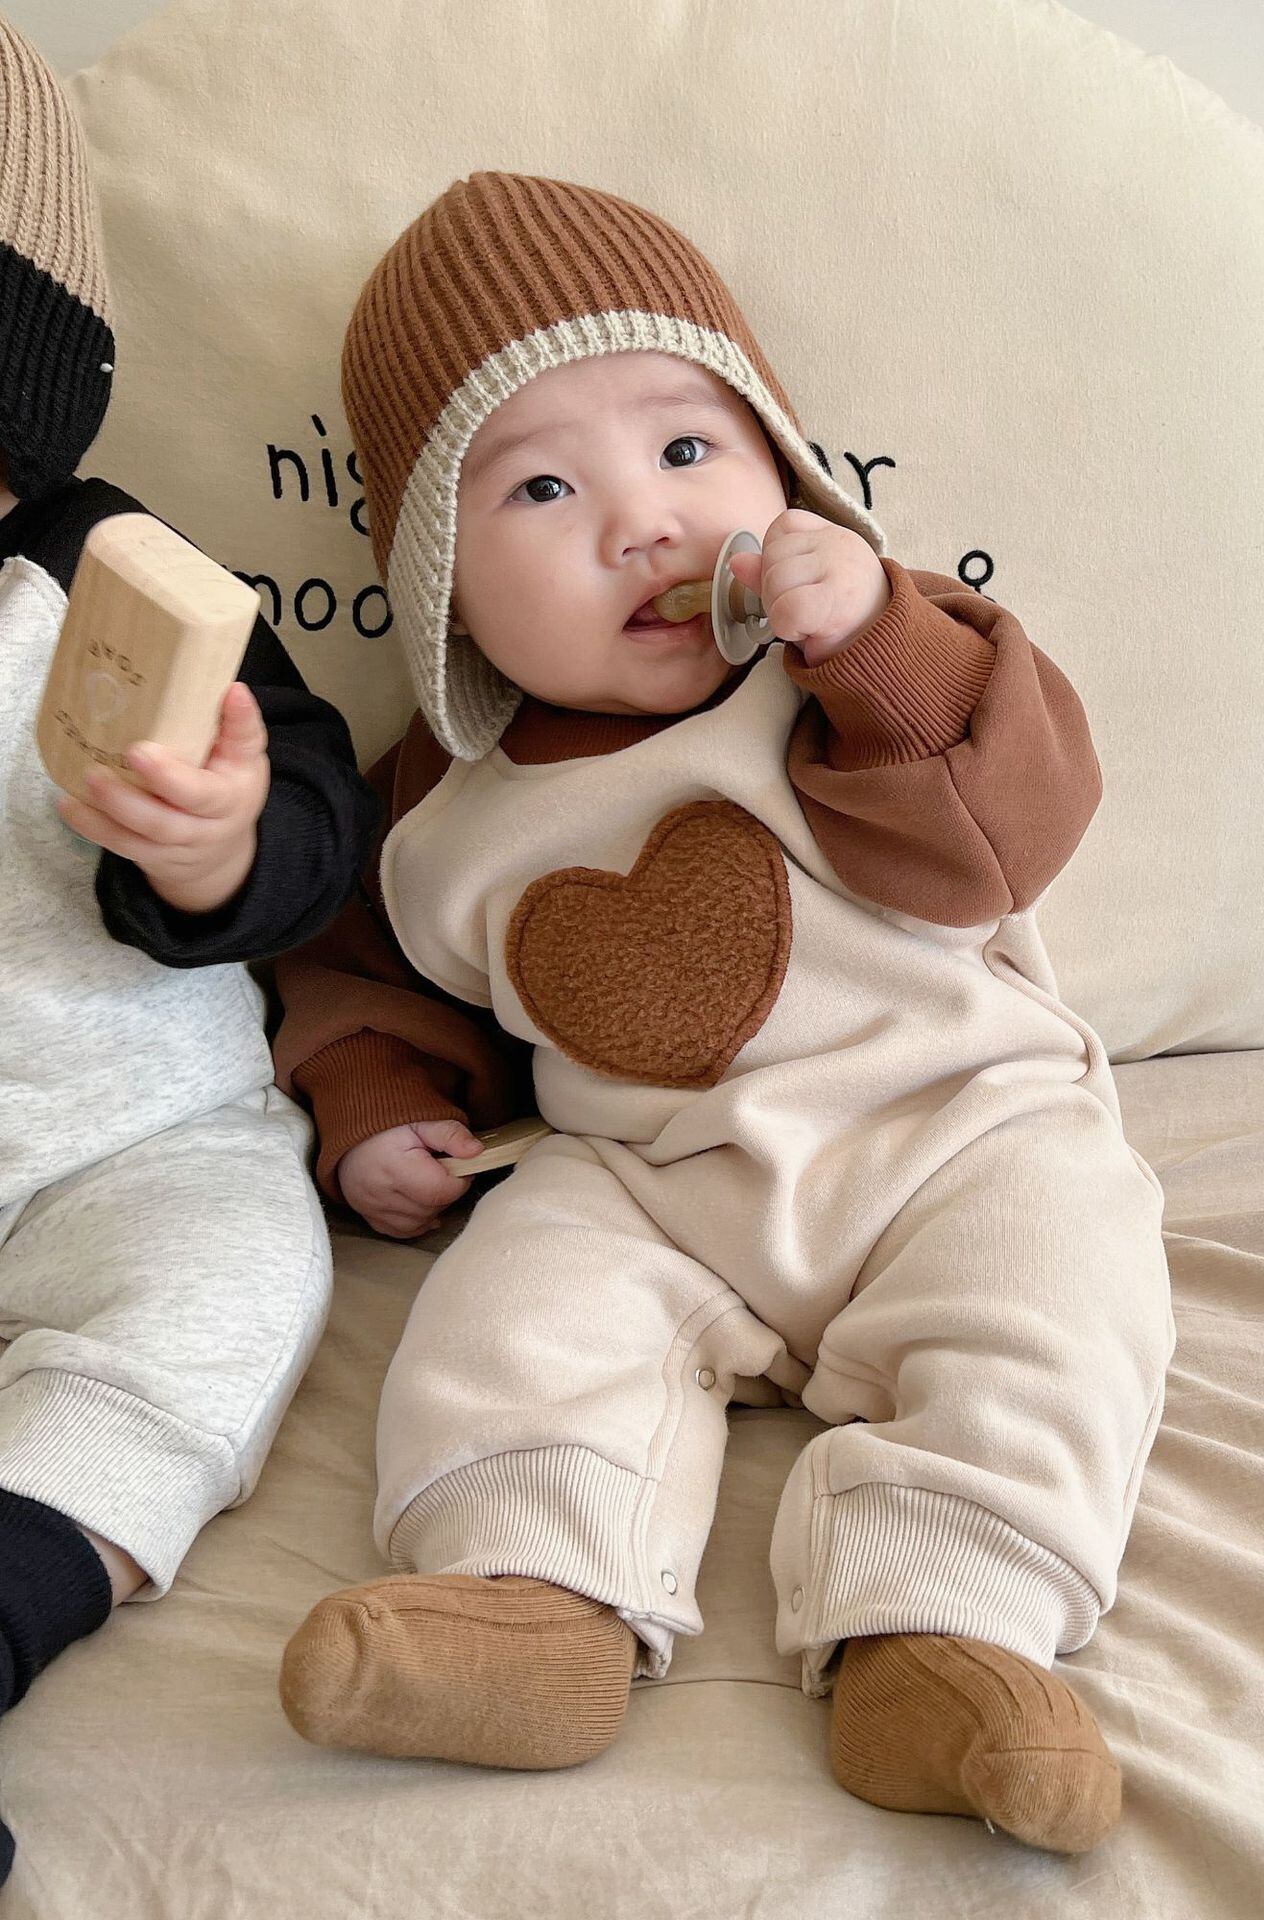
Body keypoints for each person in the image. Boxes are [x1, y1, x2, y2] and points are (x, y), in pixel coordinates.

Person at [272, 170, 1173, 1856]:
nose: (643, 524)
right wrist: (376, 1099)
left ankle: (949, 1627)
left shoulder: (861, 677)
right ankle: (532, 1595)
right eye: (542, 487)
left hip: (952, 1129)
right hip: (651, 1178)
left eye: (689, 448)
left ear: (778, 465)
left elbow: (1007, 836)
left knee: (1062, 1287)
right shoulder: (432, 803)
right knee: (517, 1305)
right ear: (439, 579)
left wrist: (875, 637)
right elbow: (353, 967)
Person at [0, 19, 378, 1886]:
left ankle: (23, 1567)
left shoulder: (115, 569)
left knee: (224, 1288)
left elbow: (314, 793)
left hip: (128, 1140)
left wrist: (218, 842)